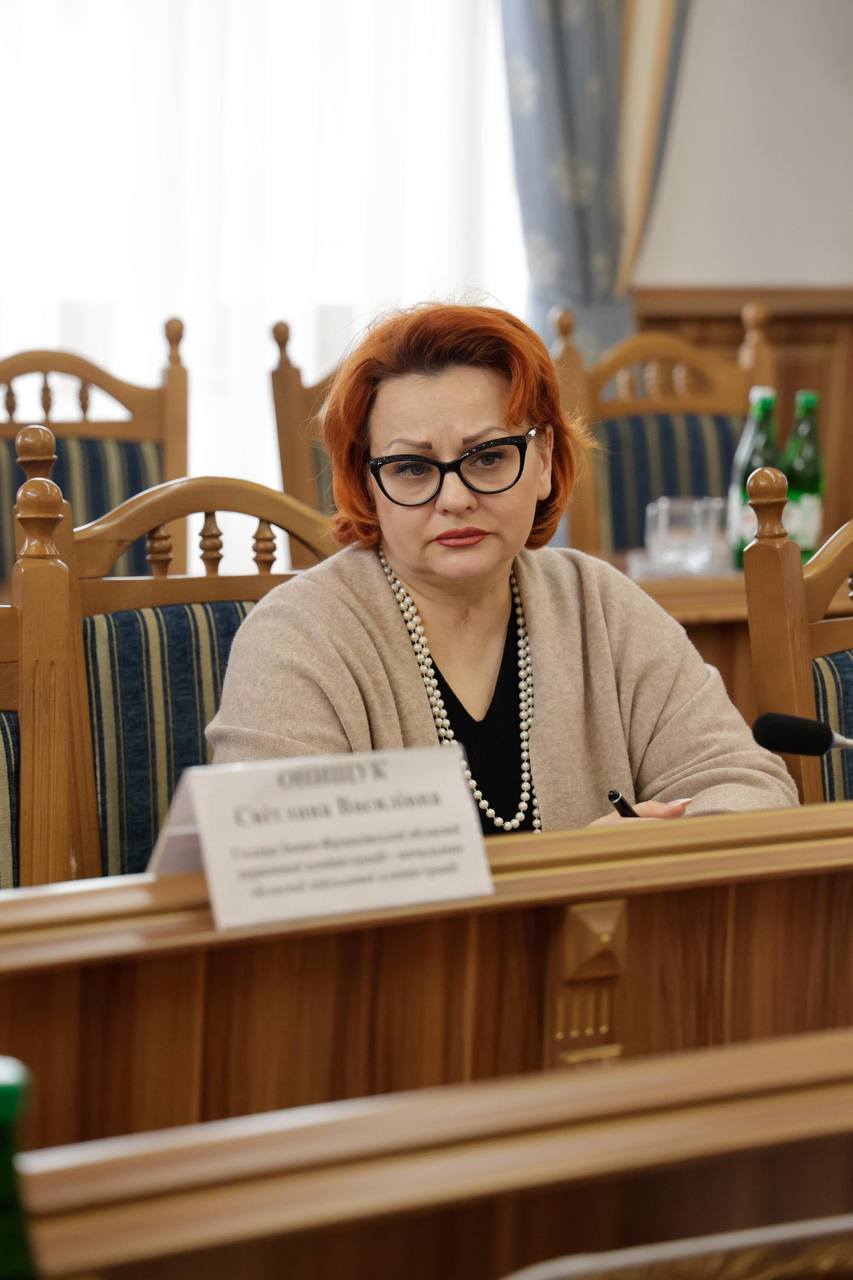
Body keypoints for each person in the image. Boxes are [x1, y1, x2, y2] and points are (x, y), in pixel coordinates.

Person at [207, 304, 797, 832]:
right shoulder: (297, 637)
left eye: (488, 457)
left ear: (542, 460)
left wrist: (642, 855)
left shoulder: (601, 605)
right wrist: (582, 874)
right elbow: (270, 861)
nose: (455, 498)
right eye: (412, 468)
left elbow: (750, 785)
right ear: (368, 485)